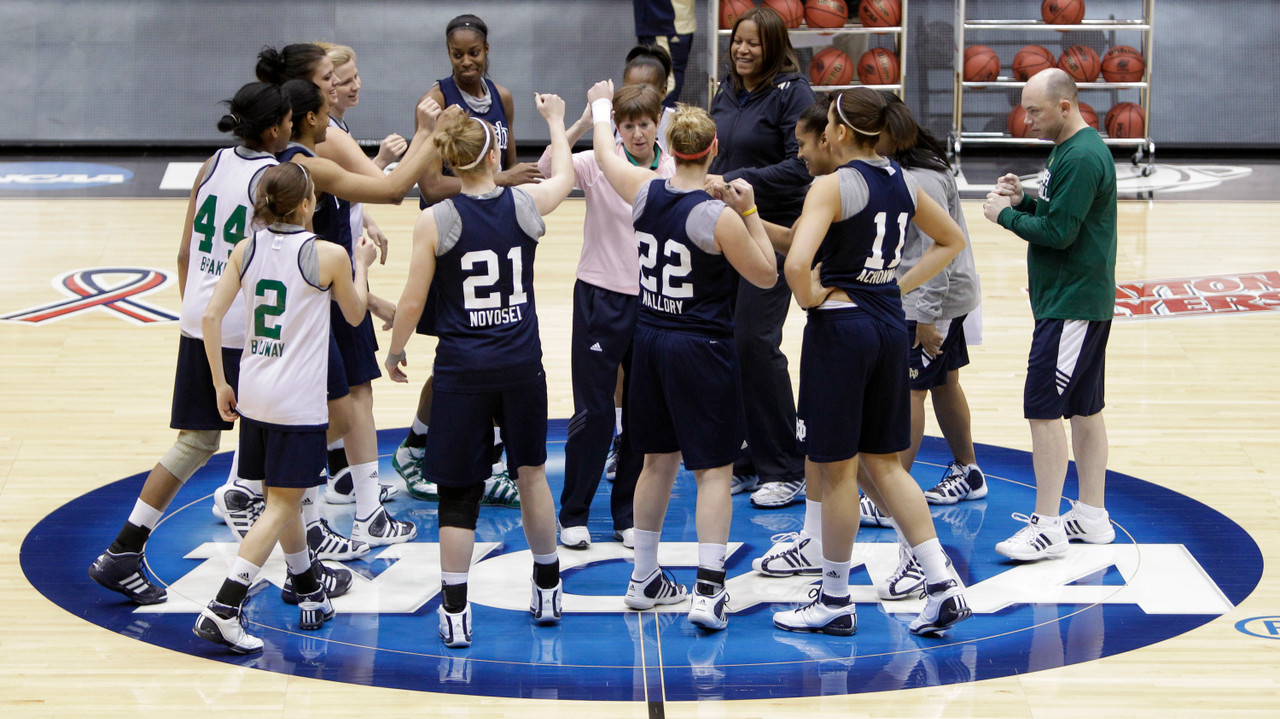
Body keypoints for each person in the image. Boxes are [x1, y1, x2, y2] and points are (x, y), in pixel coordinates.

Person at [770, 88, 971, 637]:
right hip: (887, 326)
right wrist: (894, 285)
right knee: (883, 464)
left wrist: (813, 298)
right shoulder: (904, 181)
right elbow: (950, 239)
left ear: (838, 130)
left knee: (836, 473)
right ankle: (942, 583)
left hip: (841, 332)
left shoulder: (830, 186)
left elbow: (797, 263)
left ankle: (834, 598)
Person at [88, 82, 292, 605]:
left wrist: (200, 316)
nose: (292, 127)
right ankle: (301, 575)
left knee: (198, 443)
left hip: (199, 318)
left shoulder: (213, 163)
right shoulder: (272, 178)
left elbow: (184, 254)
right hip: (244, 330)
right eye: (289, 120)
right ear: (273, 128)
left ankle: (124, 550)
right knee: (283, 452)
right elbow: (271, 264)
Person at [384, 94, 575, 649]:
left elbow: (414, 302)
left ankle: (455, 612)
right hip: (520, 364)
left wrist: (395, 350)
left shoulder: (435, 220)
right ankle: (546, 587)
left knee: (459, 492)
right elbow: (563, 173)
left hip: (462, 370)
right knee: (531, 474)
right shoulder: (524, 205)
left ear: (450, 162)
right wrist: (559, 123)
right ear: (494, 153)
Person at [587, 79, 779, 632]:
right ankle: (709, 590)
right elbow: (765, 275)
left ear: (671, 149)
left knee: (655, 461)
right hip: (701, 347)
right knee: (713, 472)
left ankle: (643, 578)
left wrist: (603, 108)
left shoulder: (647, 191)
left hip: (648, 341)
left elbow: (604, 155)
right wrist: (748, 212)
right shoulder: (716, 217)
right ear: (714, 149)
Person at [193, 162, 373, 653]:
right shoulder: (329, 254)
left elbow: (211, 316)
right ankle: (224, 608)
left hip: (253, 389)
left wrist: (218, 384)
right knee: (280, 506)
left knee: (283, 496)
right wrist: (364, 261)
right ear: (305, 204)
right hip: (296, 400)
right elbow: (355, 315)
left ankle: (308, 586)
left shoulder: (244, 248)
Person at [277, 79, 442, 549]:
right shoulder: (309, 165)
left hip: (318, 298)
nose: (337, 96)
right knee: (346, 407)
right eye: (329, 86)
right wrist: (427, 131)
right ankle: (348, 514)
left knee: (339, 407)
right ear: (309, 116)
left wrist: (368, 296)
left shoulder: (289, 167)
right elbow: (389, 190)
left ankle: (335, 504)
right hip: (328, 300)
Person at [391, 14, 538, 509]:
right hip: (449, 237)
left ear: (487, 49)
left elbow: (509, 166)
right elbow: (431, 186)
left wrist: (510, 193)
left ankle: (467, 454)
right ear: (447, 54)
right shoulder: (433, 104)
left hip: (490, 232)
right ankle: (418, 445)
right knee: (458, 353)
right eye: (458, 54)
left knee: (487, 347)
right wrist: (502, 181)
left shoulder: (505, 97)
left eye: (474, 52)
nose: (467, 61)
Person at [982, 68, 1118, 561]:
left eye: (1035, 110)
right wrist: (1029, 199)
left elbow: (1060, 233)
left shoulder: (1080, 154)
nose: (1027, 119)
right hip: (1079, 301)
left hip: (1071, 306)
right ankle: (1092, 516)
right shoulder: (1072, 149)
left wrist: (1007, 216)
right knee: (1085, 409)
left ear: (1065, 106)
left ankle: (1047, 525)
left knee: (1042, 410)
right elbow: (1063, 210)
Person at [539, 83, 675, 551]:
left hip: (655, 302)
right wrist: (574, 121)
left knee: (641, 414)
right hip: (599, 297)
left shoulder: (674, 163)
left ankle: (626, 513)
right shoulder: (598, 161)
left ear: (659, 122)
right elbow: (545, 170)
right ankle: (573, 511)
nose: (637, 134)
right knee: (595, 412)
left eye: (644, 124)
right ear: (615, 125)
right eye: (628, 125)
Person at [705, 7, 815, 508]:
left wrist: (740, 184)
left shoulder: (794, 93)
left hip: (770, 232)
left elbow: (803, 166)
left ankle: (786, 466)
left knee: (755, 343)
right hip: (726, 230)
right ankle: (747, 457)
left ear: (773, 46)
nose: (742, 50)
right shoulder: (725, 91)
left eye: (753, 43)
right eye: (737, 41)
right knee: (726, 342)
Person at [632, 0, 696, 105]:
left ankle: (663, 121)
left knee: (665, 87)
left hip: (666, 23)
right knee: (655, 85)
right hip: (662, 22)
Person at [623, 45, 676, 152]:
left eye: (644, 90)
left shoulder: (675, 123)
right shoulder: (611, 121)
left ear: (663, 92)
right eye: (630, 89)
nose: (636, 96)